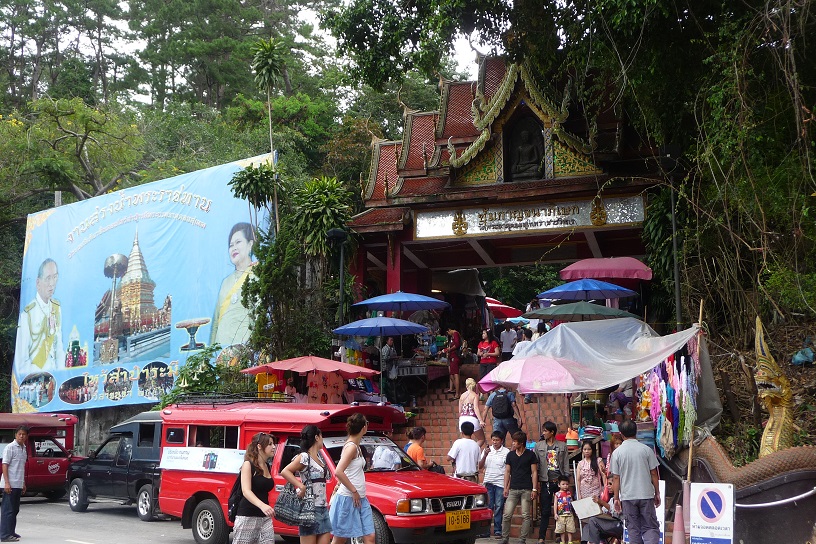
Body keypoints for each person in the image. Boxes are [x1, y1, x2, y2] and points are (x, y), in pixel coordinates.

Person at [610, 420, 661, 544]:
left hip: (628, 497)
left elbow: (616, 478)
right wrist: (657, 493)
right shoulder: (646, 450)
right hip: (646, 495)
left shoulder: (617, 453)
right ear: (636, 432)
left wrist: (616, 498)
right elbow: (654, 473)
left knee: (633, 529)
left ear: (621, 434)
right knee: (650, 527)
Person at [280, 425, 332, 544]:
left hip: (323, 508)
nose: (322, 439)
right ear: (317, 437)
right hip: (310, 509)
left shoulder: (319, 456)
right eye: (321, 436)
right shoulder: (304, 456)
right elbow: (285, 471)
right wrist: (301, 486)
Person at [329, 413, 375, 544]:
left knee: (370, 536)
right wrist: (354, 491)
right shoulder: (351, 447)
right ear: (363, 428)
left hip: (360, 498)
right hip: (348, 498)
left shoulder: (357, 446)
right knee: (340, 538)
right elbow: (339, 471)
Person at [15, 258, 64, 375]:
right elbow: (21, 363)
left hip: (55, 378)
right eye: (48, 278)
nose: (52, 283)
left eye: (55, 277)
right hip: (36, 379)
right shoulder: (27, 315)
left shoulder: (56, 308)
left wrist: (60, 373)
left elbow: (59, 347)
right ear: (38, 283)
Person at [210, 222, 256, 347]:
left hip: (245, 350)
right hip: (221, 352)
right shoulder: (226, 282)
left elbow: (259, 317)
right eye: (231, 245)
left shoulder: (257, 275)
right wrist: (210, 353)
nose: (234, 248)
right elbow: (216, 320)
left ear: (250, 244)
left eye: (238, 242)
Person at [232, 432, 276, 544]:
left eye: (273, 444)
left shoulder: (267, 466)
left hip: (264, 517)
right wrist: (262, 506)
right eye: (270, 444)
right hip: (247, 515)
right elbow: (246, 491)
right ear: (259, 446)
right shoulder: (248, 464)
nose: (274, 447)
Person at [499, 430, 538, 544]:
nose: (513, 444)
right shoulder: (510, 455)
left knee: (526, 515)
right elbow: (507, 472)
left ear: (521, 443)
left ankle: (522, 539)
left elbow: (534, 472)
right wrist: (505, 487)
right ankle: (505, 538)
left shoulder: (530, 454)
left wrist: (534, 489)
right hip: (513, 488)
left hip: (526, 488)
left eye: (515, 442)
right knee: (507, 514)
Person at [535, 421, 569, 544]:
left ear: (552, 432)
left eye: (545, 431)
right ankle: (541, 537)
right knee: (545, 510)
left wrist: (566, 479)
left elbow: (565, 464)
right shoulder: (538, 446)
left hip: (559, 482)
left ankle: (559, 536)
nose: (543, 433)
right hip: (545, 482)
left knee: (561, 510)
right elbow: (536, 465)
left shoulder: (562, 446)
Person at [479, 431, 510, 538]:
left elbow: (508, 470)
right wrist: (485, 455)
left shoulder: (506, 452)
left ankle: (497, 530)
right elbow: (480, 466)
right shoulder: (487, 450)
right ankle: (486, 531)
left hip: (500, 483)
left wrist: (507, 486)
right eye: (493, 440)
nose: (495, 442)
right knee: (489, 507)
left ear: (502, 441)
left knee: (499, 507)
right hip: (488, 482)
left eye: (497, 440)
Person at [1, 426, 28, 542]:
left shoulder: (24, 448)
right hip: (9, 484)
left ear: (27, 436)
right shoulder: (10, 447)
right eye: (19, 434)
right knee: (8, 510)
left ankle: (11, 531)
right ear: (15, 435)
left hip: (18, 483)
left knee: (15, 509)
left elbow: (21, 467)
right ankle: (4, 535)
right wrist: (7, 483)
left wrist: (23, 483)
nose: (21, 436)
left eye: (23, 434)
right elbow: (5, 465)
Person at [458, 378, 486, 448]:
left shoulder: (462, 396)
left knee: (465, 440)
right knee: (481, 439)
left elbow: (459, 411)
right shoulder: (475, 395)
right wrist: (481, 420)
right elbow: (476, 408)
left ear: (466, 385)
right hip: (472, 418)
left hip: (462, 418)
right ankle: (473, 449)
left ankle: (466, 451)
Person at [552, 475, 576, 544]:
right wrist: (555, 513)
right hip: (560, 515)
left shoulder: (569, 493)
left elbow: (571, 502)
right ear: (559, 485)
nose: (565, 486)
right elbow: (555, 504)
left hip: (569, 514)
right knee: (561, 530)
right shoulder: (557, 494)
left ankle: (570, 541)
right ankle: (562, 541)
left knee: (570, 529)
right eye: (563, 484)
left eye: (567, 484)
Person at [443, 327, 462, 396]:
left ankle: (457, 393)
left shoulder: (455, 334)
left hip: (455, 357)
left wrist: (450, 349)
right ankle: (456, 390)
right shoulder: (453, 336)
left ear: (449, 329)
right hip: (452, 357)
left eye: (448, 332)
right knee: (452, 374)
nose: (448, 334)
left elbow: (457, 344)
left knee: (455, 374)